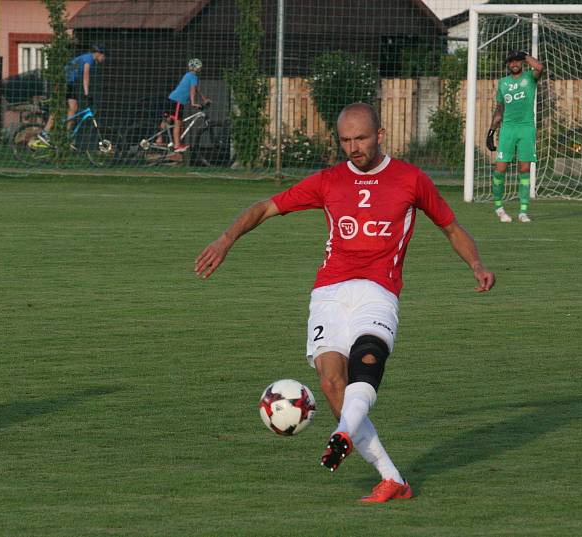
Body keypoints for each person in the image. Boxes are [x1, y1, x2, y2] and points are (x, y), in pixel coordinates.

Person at [195, 103, 495, 503]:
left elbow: (451, 227)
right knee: (331, 382)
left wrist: (476, 263)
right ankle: (391, 478)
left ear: (381, 134)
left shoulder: (410, 179)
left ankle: (342, 434)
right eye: (346, 140)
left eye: (362, 138)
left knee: (368, 360)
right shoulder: (329, 181)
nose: (353, 147)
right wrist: (225, 239)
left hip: (378, 290)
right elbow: (266, 207)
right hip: (329, 292)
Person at [486, 50, 544, 223]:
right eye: (511, 62)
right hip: (508, 130)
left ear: (522, 63)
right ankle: (498, 207)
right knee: (501, 168)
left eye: (517, 61)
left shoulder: (529, 78)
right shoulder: (503, 83)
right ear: (507, 65)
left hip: (526, 129)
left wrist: (525, 55)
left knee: (525, 168)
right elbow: (499, 109)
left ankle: (523, 211)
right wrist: (491, 131)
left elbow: (540, 67)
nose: (514, 64)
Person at [38, 44, 106, 144]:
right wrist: (86, 94)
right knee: (58, 109)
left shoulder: (88, 58)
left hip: (69, 83)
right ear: (99, 54)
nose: (104, 59)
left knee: (73, 108)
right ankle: (45, 132)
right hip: (64, 82)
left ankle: (66, 136)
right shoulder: (88, 60)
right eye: (104, 57)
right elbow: (85, 78)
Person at [161, 58, 210, 152]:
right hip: (178, 101)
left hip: (172, 98)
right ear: (197, 68)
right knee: (178, 122)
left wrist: (204, 98)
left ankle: (158, 139)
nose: (201, 68)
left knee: (167, 120)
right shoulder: (193, 77)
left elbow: (196, 89)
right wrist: (193, 103)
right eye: (200, 67)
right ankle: (177, 145)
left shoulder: (188, 75)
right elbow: (192, 90)